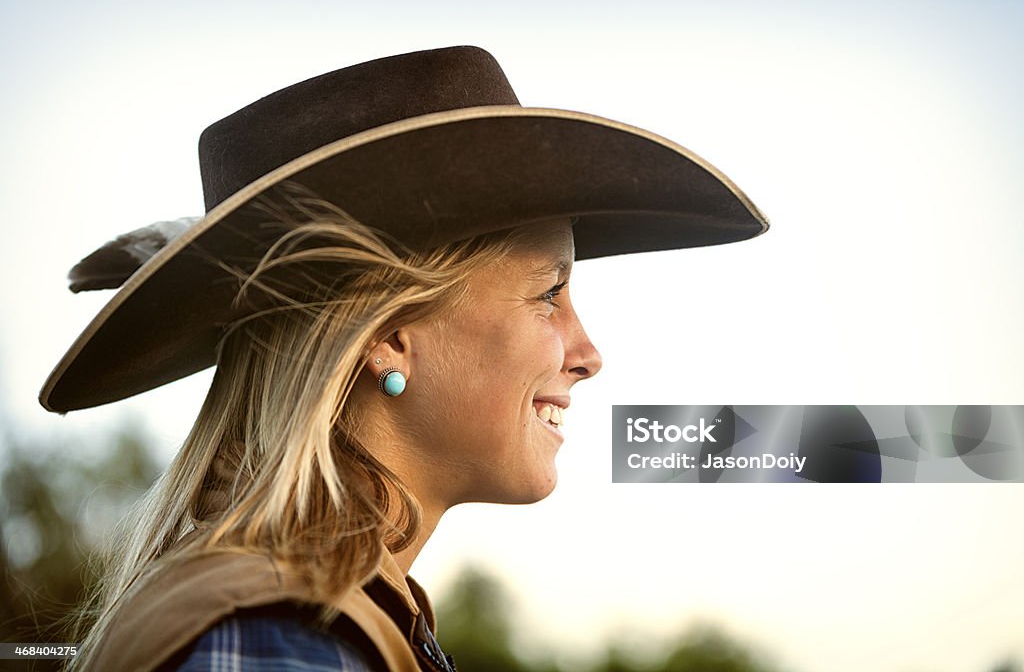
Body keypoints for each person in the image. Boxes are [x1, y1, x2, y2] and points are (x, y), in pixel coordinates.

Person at [41, 46, 768, 671]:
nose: (588, 353)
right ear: (388, 333)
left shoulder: (329, 618)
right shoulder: (281, 635)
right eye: (550, 291)